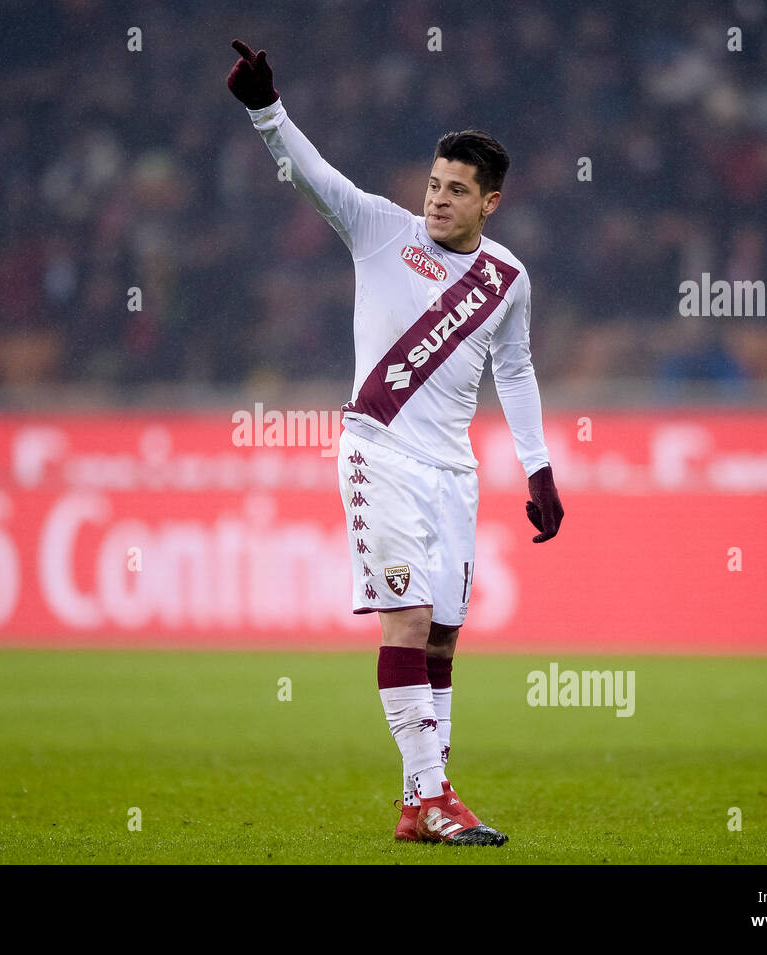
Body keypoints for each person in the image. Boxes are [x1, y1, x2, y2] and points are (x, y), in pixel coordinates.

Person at [227, 39, 564, 845]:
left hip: (455, 471)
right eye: (434, 184)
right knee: (406, 621)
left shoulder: (507, 280)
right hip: (379, 453)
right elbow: (313, 173)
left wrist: (540, 467)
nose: (437, 200)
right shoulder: (380, 229)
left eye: (457, 191)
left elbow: (514, 373)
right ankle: (434, 794)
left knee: (443, 635)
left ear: (492, 203)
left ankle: (421, 804)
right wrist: (265, 109)